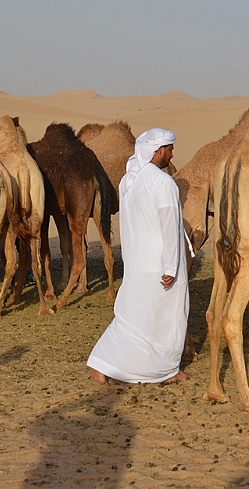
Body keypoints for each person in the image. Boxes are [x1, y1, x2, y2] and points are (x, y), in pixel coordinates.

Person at [87, 128, 193, 384]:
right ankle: (167, 371)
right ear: (158, 151)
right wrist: (170, 267)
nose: (172, 153)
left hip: (137, 261)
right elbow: (169, 225)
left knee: (132, 318)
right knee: (169, 317)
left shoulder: (129, 181)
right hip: (160, 263)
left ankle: (102, 363)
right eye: (169, 148)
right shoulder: (162, 182)